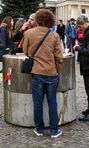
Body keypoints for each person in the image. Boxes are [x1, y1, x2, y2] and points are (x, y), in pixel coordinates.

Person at [23, 9, 63, 138]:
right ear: (50, 20)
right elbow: (58, 57)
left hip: (37, 73)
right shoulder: (54, 35)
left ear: (38, 19)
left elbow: (26, 53)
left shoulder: (28, 33)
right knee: (52, 102)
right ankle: (54, 130)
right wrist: (57, 70)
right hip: (52, 73)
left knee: (38, 102)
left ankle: (39, 129)